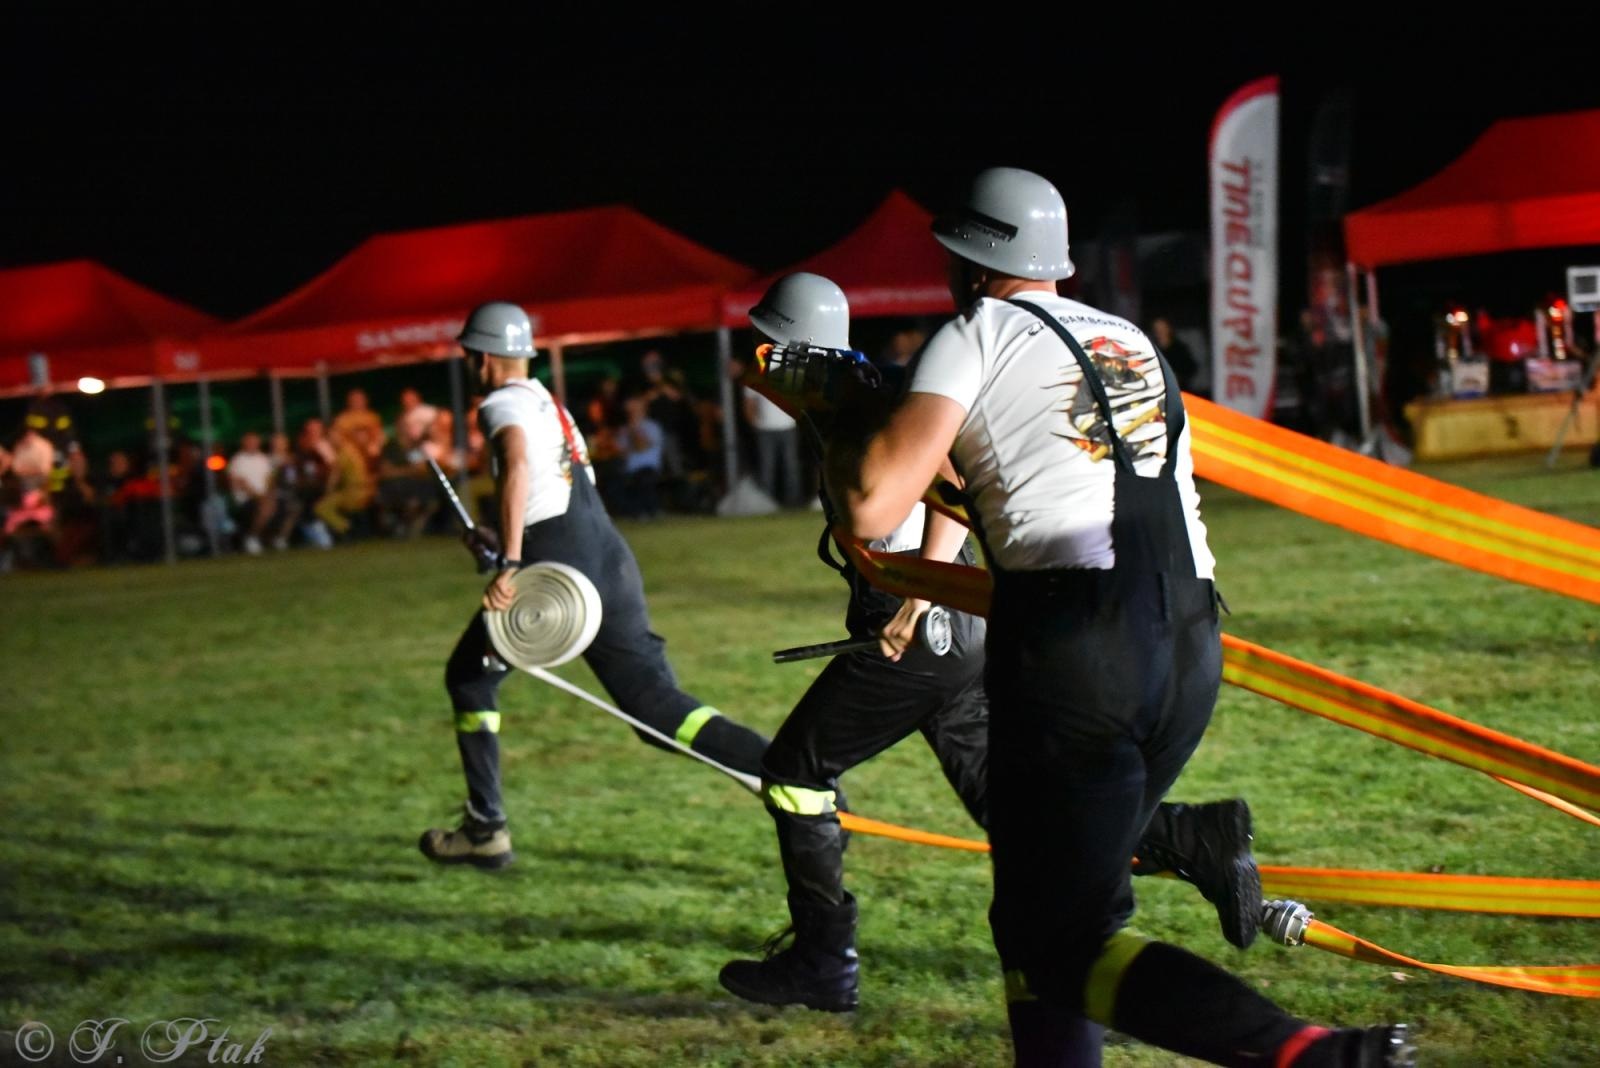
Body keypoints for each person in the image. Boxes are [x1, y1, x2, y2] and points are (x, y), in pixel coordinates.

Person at [828, 169, 1412, 1066]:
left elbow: (874, 506)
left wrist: (840, 420)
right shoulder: (1129, 337)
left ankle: (1312, 1055)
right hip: (1189, 642)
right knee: (1045, 912)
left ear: (970, 263)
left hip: (1078, 648)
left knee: (1064, 941)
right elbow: (1006, 473)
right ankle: (1193, 851)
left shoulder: (975, 332)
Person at [719, 273, 1261, 1015]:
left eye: (758, 351)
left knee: (794, 770)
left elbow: (955, 482)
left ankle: (823, 962)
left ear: (785, 349)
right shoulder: (844, 400)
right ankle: (1191, 836)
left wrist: (918, 595)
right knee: (1017, 816)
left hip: (923, 638)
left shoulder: (861, 403)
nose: (749, 368)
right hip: (952, 634)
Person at [419, 302, 771, 868]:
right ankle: (785, 770)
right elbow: (550, 492)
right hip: (608, 559)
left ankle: (486, 828)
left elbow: (516, 466)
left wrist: (510, 562)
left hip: (562, 573)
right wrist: (500, 539)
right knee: (654, 710)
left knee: (469, 677)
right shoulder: (547, 402)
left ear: (480, 357)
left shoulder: (501, 403)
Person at [313, 425, 376, 539]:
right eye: (330, 438)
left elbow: (335, 476)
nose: (332, 440)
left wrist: (327, 491)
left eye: (333, 437)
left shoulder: (344, 452)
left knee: (321, 507)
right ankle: (348, 529)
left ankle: (347, 529)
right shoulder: (350, 449)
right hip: (358, 490)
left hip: (355, 492)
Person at [227, 431, 277, 555]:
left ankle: (277, 538)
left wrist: (268, 493)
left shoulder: (262, 458)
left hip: (263, 496)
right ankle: (252, 537)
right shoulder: (237, 460)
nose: (252, 444)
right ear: (244, 443)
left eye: (255, 442)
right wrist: (257, 495)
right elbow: (239, 482)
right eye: (250, 442)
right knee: (266, 506)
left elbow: (269, 479)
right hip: (245, 499)